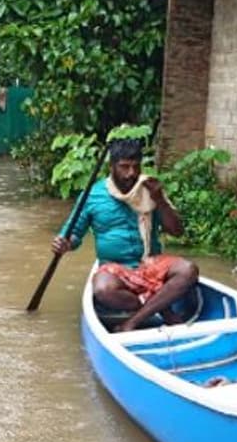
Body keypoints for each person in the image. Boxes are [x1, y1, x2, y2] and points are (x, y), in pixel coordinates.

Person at [51, 138, 199, 331]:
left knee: (188, 270)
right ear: (111, 166)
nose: (131, 173)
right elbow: (74, 234)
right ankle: (162, 307)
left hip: (150, 263)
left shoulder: (150, 189)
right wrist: (65, 244)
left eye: (136, 167)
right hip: (114, 269)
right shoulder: (93, 196)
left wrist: (160, 200)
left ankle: (132, 322)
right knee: (103, 289)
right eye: (124, 167)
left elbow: (177, 231)